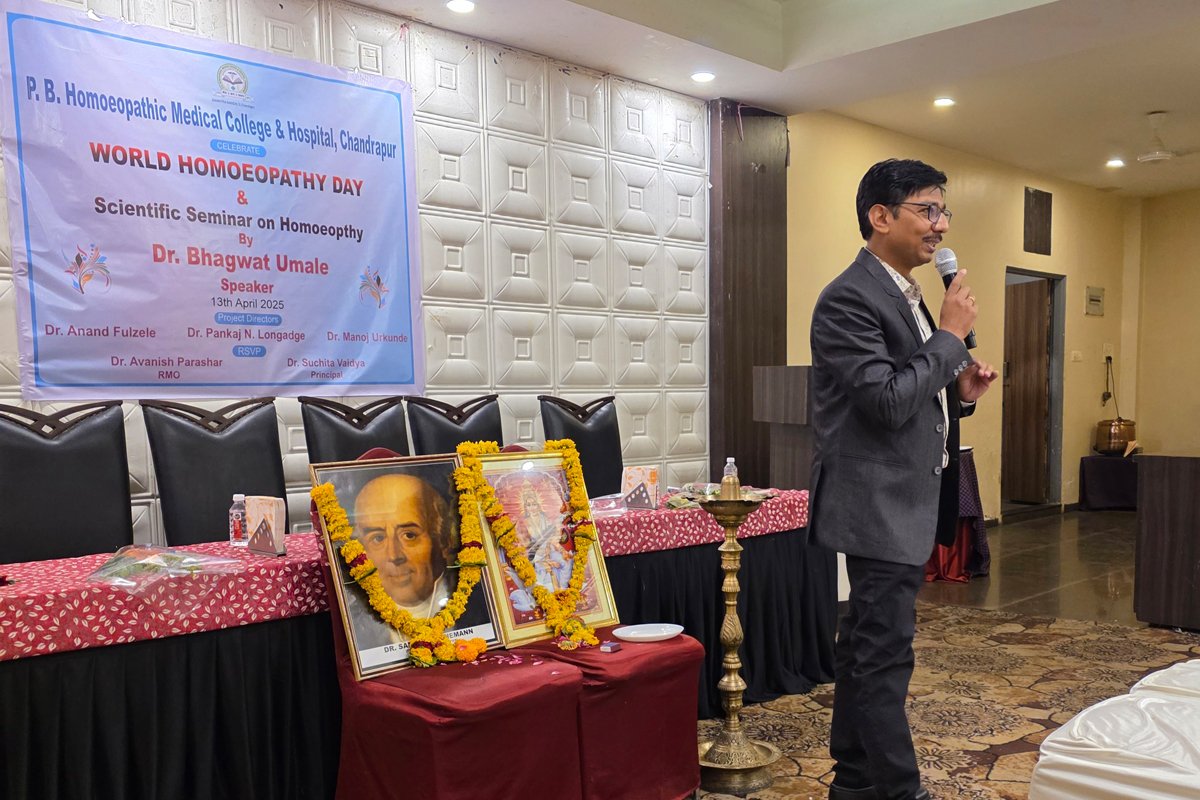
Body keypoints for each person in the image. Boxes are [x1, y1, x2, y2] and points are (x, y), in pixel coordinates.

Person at [809, 158, 998, 800]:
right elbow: (886, 402)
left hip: (903, 500)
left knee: (866, 648)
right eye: (928, 210)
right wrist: (949, 337)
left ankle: (855, 782)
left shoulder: (906, 293)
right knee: (883, 655)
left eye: (944, 211)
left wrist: (959, 391)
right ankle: (899, 789)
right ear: (881, 216)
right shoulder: (849, 297)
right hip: (876, 504)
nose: (940, 226)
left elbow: (913, 391)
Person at [346, 472, 488, 650]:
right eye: (378, 538)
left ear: (443, 540)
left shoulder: (485, 608)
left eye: (409, 535)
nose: (394, 555)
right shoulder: (354, 627)